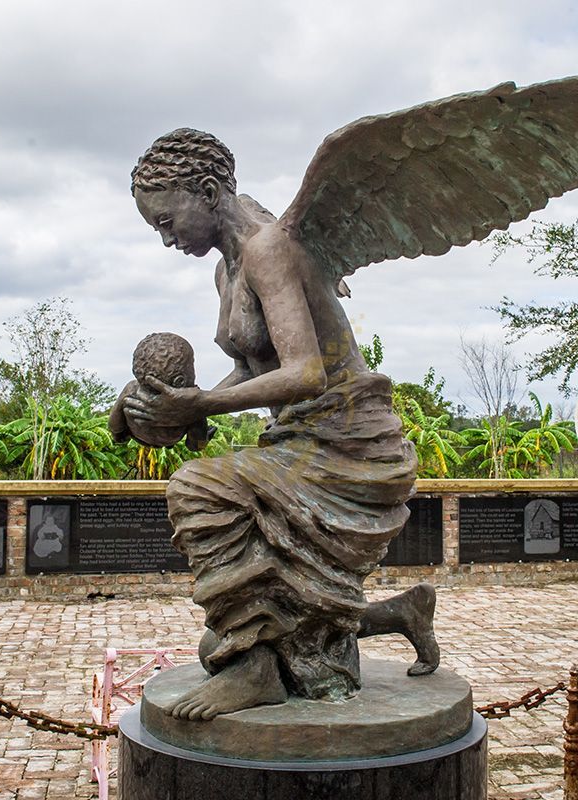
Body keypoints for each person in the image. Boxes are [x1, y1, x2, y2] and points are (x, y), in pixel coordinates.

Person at [123, 128, 438, 722]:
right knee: (230, 632)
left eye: (167, 221)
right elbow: (249, 367)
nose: (166, 238)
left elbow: (305, 373)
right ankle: (400, 614)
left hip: (351, 441)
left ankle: (259, 671)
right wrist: (178, 408)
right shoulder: (227, 272)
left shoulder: (270, 249)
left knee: (198, 489)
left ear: (210, 193)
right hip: (298, 439)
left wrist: (197, 406)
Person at [109, 332, 213, 451]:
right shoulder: (188, 404)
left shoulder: (132, 388)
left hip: (139, 436)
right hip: (170, 439)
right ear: (180, 381)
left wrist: (118, 435)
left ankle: (121, 439)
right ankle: (205, 439)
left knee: (117, 432)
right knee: (198, 423)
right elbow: (194, 446)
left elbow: (114, 426)